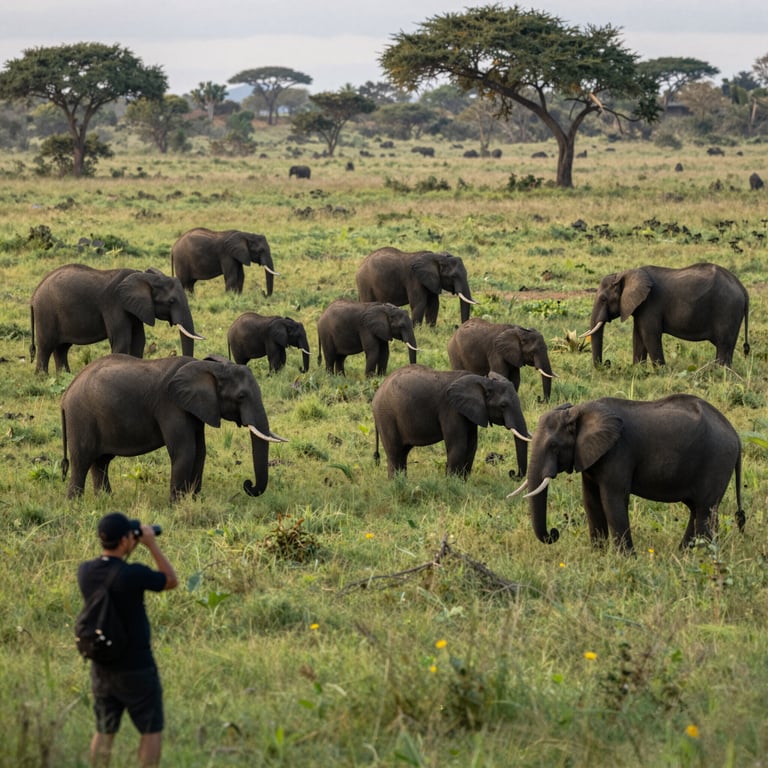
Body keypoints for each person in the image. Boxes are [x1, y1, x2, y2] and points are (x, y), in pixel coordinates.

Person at [77, 512, 178, 768]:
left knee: (104, 730)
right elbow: (170, 580)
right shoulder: (132, 575)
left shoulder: (85, 572)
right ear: (125, 540)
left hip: (102, 666)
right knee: (150, 728)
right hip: (137, 666)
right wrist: (151, 544)